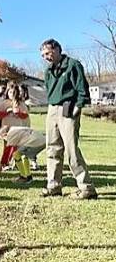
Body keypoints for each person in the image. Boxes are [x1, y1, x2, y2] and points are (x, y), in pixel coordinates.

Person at [40, 38, 97, 199]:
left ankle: (86, 187)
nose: (46, 57)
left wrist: (78, 106)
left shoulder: (73, 65)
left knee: (71, 148)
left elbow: (82, 88)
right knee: (52, 148)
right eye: (43, 55)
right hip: (52, 109)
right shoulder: (48, 71)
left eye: (48, 53)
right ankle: (54, 185)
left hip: (69, 108)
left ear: (57, 49)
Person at [0, 83, 30, 171]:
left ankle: (13, 163)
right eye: (10, 92)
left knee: (15, 148)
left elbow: (25, 115)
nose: (12, 94)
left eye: (14, 92)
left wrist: (18, 113)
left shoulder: (20, 103)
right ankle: (3, 163)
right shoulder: (4, 103)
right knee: (8, 147)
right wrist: (7, 113)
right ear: (7, 93)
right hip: (6, 128)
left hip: (18, 128)